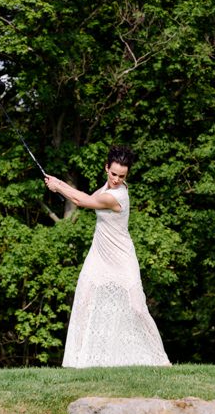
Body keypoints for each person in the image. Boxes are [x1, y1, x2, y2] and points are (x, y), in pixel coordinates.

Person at [44, 145, 171, 368]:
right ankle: (76, 361)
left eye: (122, 176)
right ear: (106, 169)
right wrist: (58, 183)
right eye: (113, 174)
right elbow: (83, 197)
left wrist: (59, 187)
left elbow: (82, 202)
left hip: (121, 257)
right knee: (83, 299)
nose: (116, 179)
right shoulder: (107, 186)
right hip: (99, 254)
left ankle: (161, 362)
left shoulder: (118, 195)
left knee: (137, 307)